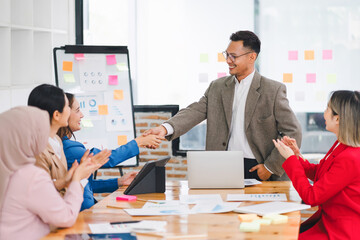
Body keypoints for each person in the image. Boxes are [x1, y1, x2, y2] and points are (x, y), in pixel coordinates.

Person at [144, 30, 301, 180]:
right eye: (227, 55)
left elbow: (292, 131)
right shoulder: (217, 87)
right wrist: (165, 128)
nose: (228, 61)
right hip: (223, 165)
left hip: (260, 167)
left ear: (252, 57)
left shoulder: (272, 90)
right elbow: (194, 111)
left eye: (233, 56)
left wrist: (270, 167)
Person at [0, 106, 101, 240]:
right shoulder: (30, 174)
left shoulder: (8, 170)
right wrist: (78, 179)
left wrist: (65, 181)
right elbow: (66, 217)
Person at [273, 90, 360, 239]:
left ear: (337, 118)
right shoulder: (342, 145)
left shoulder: (350, 157)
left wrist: (291, 160)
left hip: (340, 232)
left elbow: (311, 197)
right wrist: (297, 156)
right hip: (328, 222)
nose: (324, 113)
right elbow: (322, 174)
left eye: (327, 109)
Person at [58, 92, 164, 210]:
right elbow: (110, 158)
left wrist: (119, 181)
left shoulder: (67, 145)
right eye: (77, 110)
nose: (82, 115)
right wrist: (139, 142)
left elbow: (87, 184)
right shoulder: (69, 148)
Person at [28, 84, 111, 196]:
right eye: (68, 107)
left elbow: (63, 187)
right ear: (57, 115)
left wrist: (80, 174)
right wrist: (76, 177)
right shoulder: (38, 151)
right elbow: (44, 194)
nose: (72, 113)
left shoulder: (57, 141)